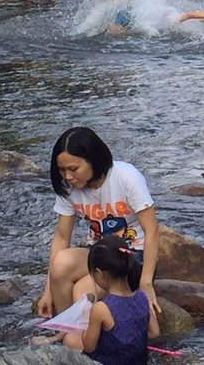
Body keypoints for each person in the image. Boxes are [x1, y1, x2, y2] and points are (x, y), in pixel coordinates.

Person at [37, 128, 160, 324]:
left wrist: (146, 283)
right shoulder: (70, 188)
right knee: (61, 263)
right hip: (98, 253)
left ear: (93, 160)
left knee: (81, 292)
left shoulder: (126, 176)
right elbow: (61, 237)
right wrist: (48, 291)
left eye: (73, 169)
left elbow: (152, 231)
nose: (67, 177)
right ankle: (65, 328)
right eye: (62, 170)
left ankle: (85, 339)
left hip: (131, 256)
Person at [62, 235, 158, 362]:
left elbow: (89, 347)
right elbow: (154, 332)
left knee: (70, 339)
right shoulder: (142, 297)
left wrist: (86, 319)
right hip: (139, 360)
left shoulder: (101, 308)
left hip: (108, 361)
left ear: (100, 274)